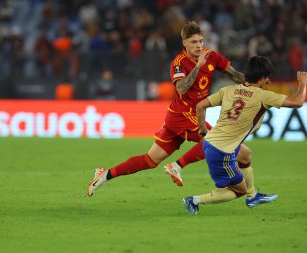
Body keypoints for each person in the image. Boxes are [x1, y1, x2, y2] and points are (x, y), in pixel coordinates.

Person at [87, 22, 275, 208]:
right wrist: (197, 66)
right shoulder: (178, 63)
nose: (199, 45)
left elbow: (234, 75)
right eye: (194, 42)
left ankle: (105, 174)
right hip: (181, 116)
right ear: (184, 43)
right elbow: (182, 88)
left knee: (150, 160)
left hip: (189, 116)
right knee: (213, 143)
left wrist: (253, 84)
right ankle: (178, 166)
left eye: (201, 41)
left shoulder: (211, 56)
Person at [183, 56, 307, 215]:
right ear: (262, 78)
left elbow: (200, 106)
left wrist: (202, 129)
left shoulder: (228, 90)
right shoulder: (263, 96)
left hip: (213, 142)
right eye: (266, 77)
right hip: (222, 153)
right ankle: (194, 200)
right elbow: (298, 102)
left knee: (245, 155)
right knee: (238, 190)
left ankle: (253, 196)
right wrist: (302, 83)